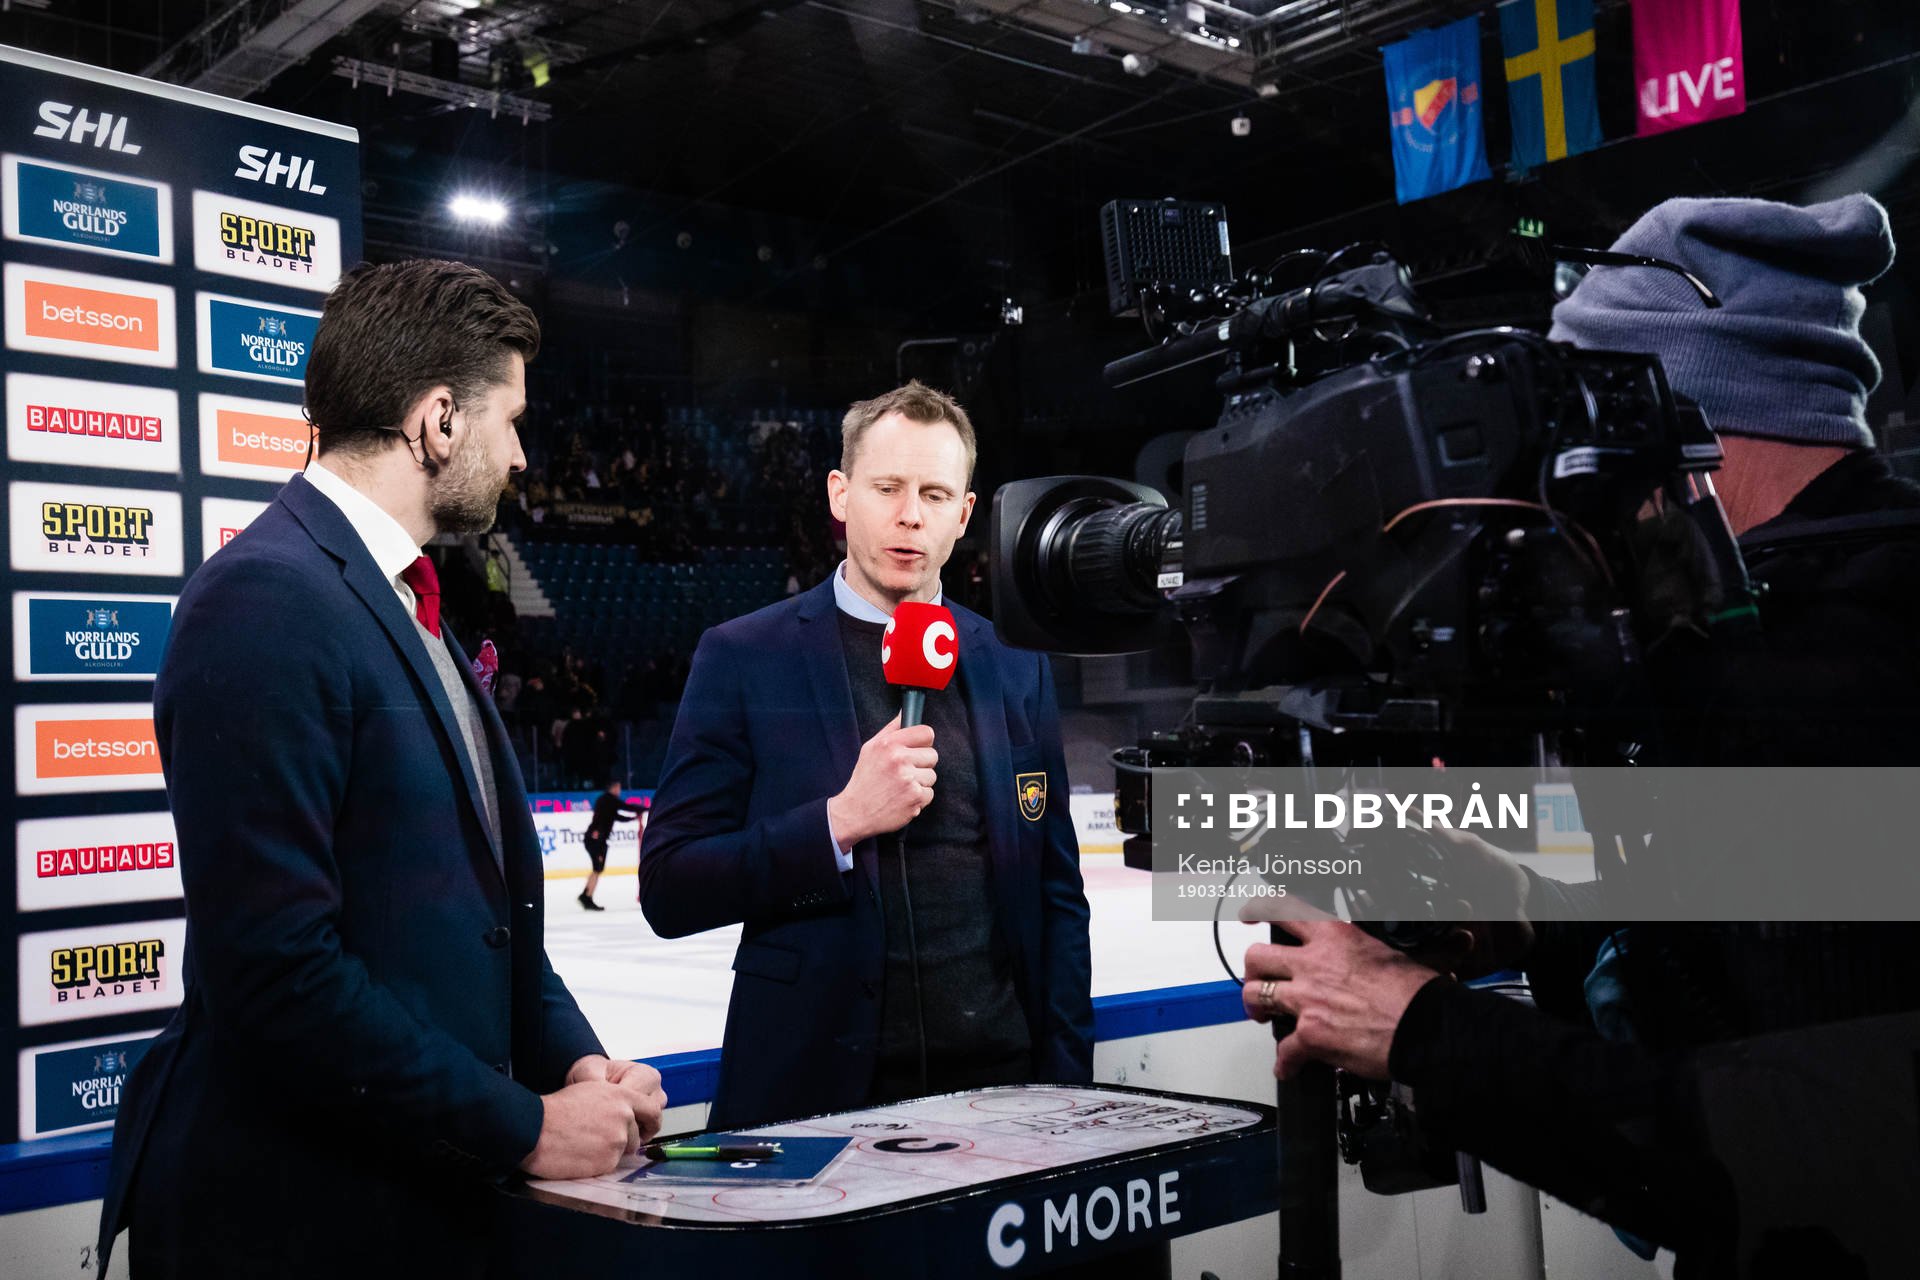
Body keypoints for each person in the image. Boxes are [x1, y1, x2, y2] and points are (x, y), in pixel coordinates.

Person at [1237, 194, 1920, 1272]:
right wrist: (1543, 912)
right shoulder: (1835, 608)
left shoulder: (1821, 673)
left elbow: (1823, 1152)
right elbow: (1762, 970)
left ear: (1674, 425)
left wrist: (1416, 1027)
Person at [98, 260, 666, 1279]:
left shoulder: (403, 599)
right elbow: (276, 975)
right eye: (513, 419)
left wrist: (580, 1064)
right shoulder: (265, 602)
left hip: (413, 1204)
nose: (525, 455)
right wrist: (528, 1126)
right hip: (297, 1223)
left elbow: (484, 927)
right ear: (440, 419)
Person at [641, 380, 1094, 1128]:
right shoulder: (744, 656)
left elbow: (1056, 894)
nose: (910, 514)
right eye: (887, 487)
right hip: (814, 1101)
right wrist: (837, 824)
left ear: (964, 515)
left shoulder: (1016, 662)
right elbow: (669, 886)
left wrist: (1069, 1083)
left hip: (1003, 1094)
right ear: (840, 494)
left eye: (935, 494)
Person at [581, 779, 643, 910]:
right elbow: (627, 807)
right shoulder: (610, 800)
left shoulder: (605, 801)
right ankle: (587, 897)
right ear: (614, 788)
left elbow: (616, 816)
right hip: (596, 839)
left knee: (597, 868)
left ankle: (586, 895)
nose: (619, 791)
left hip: (597, 839)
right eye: (619, 788)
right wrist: (646, 808)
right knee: (597, 868)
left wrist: (633, 818)